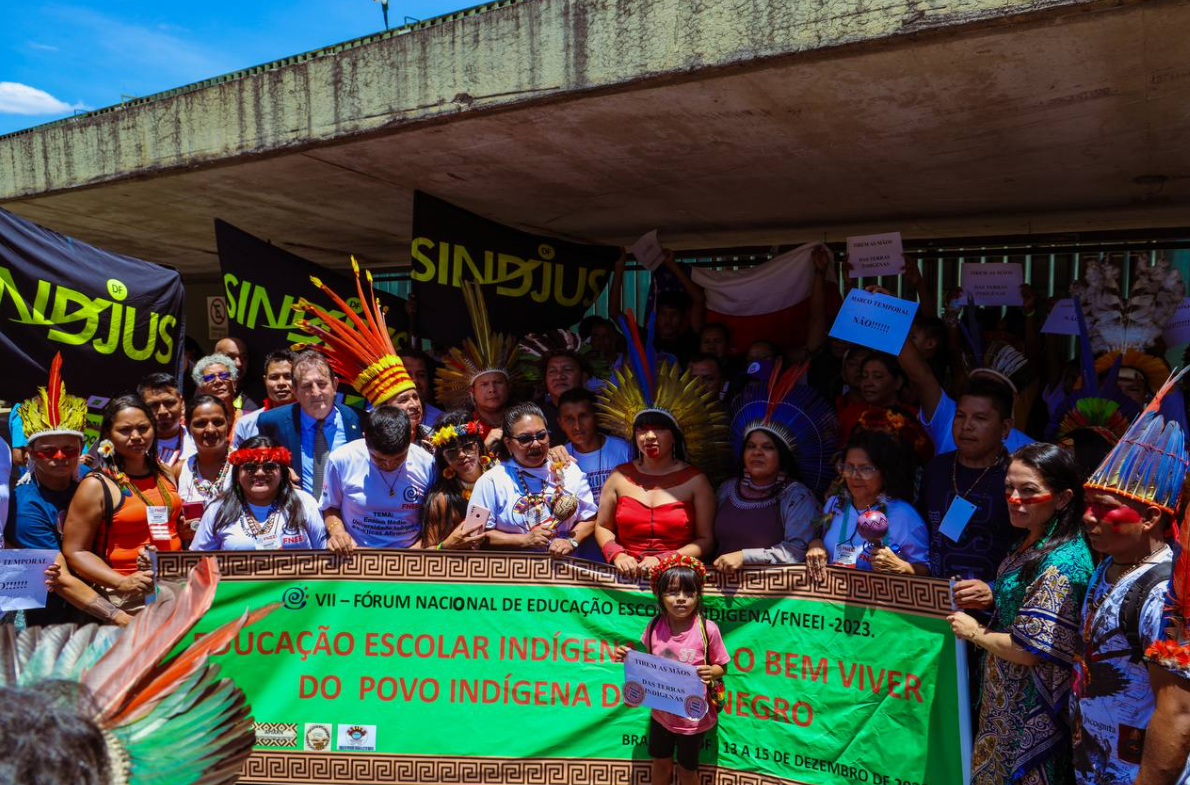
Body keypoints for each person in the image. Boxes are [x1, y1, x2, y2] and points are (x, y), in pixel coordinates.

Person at [947, 443, 1093, 785]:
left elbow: (1028, 650)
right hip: (1004, 698)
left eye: (1029, 491)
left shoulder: (1062, 563)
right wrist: (993, 593)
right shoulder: (1034, 540)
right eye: (1009, 488)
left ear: (1062, 498)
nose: (1014, 498)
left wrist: (973, 632)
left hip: (1027, 708)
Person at [1071, 373, 1190, 785]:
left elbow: (1177, 712)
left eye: (1104, 508)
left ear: (1151, 518)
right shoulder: (1111, 561)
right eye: (1088, 505)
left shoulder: (1163, 594)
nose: (1088, 517)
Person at [6, 354, 134, 627]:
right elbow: (59, 579)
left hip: (114, 593)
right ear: (31, 453)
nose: (60, 457)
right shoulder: (25, 505)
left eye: (70, 449)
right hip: (54, 620)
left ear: (81, 450)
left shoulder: (94, 481)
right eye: (48, 451)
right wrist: (120, 617)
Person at [593, 320, 725, 577]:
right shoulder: (619, 476)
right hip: (625, 582)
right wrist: (617, 553)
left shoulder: (697, 481)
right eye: (642, 430)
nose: (649, 437)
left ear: (675, 437)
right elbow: (602, 527)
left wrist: (666, 559)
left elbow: (706, 540)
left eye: (659, 429)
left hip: (678, 582)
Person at [611, 554, 729, 785]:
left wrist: (711, 672)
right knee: (660, 764)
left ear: (698, 595)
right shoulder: (654, 626)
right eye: (673, 592)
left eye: (689, 593)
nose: (681, 599)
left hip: (693, 719)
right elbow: (649, 664)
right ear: (660, 596)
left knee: (687, 771)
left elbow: (722, 666)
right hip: (661, 715)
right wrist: (629, 658)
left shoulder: (708, 629)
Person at [62, 396, 183, 612]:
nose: (136, 436)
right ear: (108, 434)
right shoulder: (96, 485)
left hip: (175, 587)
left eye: (143, 428)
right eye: (125, 430)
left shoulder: (165, 471)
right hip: (127, 598)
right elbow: (75, 551)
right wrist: (122, 582)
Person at [713, 362, 833, 573]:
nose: (757, 452)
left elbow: (796, 551)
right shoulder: (726, 490)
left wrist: (745, 557)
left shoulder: (797, 496)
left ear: (782, 456)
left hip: (769, 598)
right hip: (721, 595)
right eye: (751, 446)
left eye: (767, 447)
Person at [917, 375, 1019, 584]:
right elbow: (920, 535)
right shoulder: (937, 469)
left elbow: (1033, 554)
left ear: (1005, 428)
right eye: (960, 416)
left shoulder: (1017, 479)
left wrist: (993, 591)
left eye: (980, 418)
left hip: (992, 610)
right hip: (934, 604)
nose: (966, 426)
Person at [467, 403, 597, 554]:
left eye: (541, 436)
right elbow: (472, 534)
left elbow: (589, 518)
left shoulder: (569, 471)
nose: (536, 444)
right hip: (513, 574)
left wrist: (571, 541)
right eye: (525, 439)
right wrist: (524, 540)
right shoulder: (490, 481)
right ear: (508, 444)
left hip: (564, 572)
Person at [805, 429, 929, 577]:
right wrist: (815, 545)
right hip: (832, 596)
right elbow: (821, 538)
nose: (855, 476)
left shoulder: (904, 516)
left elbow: (926, 571)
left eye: (866, 469)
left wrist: (902, 567)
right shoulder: (835, 504)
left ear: (884, 472)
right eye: (849, 467)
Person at [321, 407, 435, 552]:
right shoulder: (341, 460)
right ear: (364, 438)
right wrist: (337, 533)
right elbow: (330, 506)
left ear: (410, 439)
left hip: (410, 554)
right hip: (355, 555)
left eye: (399, 458)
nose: (389, 465)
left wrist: (417, 548)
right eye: (379, 459)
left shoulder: (427, 464)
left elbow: (436, 517)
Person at [256, 351, 362, 498]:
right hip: (297, 512)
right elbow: (260, 466)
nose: (316, 392)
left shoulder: (359, 420)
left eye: (322, 384)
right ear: (294, 390)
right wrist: (279, 471)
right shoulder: (272, 422)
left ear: (335, 385)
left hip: (349, 512)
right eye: (306, 386)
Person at [435, 282, 525, 452]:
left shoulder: (525, 421)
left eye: (498, 382)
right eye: (484, 384)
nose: (492, 389)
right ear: (471, 392)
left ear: (509, 386)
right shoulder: (459, 428)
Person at [191, 437, 326, 550]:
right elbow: (200, 563)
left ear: (282, 472)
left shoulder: (304, 503)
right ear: (237, 474)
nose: (259, 473)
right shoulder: (217, 510)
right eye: (250, 467)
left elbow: (324, 553)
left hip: (300, 582)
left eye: (269, 467)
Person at [421, 412, 496, 550]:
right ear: (444, 458)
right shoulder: (441, 500)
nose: (461, 455)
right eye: (452, 452)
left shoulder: (500, 478)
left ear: (478, 446)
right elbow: (427, 554)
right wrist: (446, 546)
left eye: (468, 446)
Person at [519, 329, 604, 443]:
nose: (559, 376)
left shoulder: (601, 410)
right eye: (552, 372)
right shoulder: (533, 416)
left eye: (567, 369)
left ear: (584, 376)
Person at [172, 395, 233, 542]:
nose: (210, 429)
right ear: (187, 426)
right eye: (200, 423)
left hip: (234, 558)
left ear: (228, 422)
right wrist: (180, 529)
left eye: (218, 422)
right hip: (194, 557)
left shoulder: (244, 465)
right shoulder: (179, 470)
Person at [232, 349, 297, 447]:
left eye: (288, 377)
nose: (281, 383)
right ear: (265, 380)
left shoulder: (311, 421)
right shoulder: (246, 424)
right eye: (274, 377)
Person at [137, 372, 194, 466]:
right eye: (153, 405)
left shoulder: (198, 441)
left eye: (169, 403)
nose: (162, 412)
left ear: (182, 404)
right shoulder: (133, 444)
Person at [399, 347, 445, 428]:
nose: (415, 380)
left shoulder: (441, 420)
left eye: (421, 375)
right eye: (407, 374)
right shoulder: (376, 419)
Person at [214, 335, 260, 412]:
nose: (239, 364)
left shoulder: (255, 392)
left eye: (243, 357)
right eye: (231, 358)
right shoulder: (205, 387)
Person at [192, 353, 240, 426]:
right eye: (209, 378)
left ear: (234, 383)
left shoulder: (249, 419)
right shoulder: (194, 423)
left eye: (224, 375)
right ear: (201, 389)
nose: (218, 381)